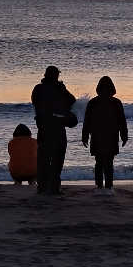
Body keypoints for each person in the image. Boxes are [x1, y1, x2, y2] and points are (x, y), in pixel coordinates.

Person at [31, 66, 76, 196]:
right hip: (57, 128)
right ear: (56, 76)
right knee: (57, 159)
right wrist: (62, 90)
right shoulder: (59, 89)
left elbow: (35, 103)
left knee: (43, 159)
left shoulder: (38, 88)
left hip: (44, 128)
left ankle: (42, 187)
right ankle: (54, 187)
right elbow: (72, 101)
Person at [82, 75, 128, 196]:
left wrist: (85, 136)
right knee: (108, 162)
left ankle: (99, 186)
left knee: (99, 162)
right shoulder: (116, 102)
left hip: (97, 136)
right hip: (111, 136)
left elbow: (87, 121)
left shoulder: (93, 102)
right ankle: (108, 186)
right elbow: (122, 121)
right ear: (112, 88)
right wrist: (124, 135)